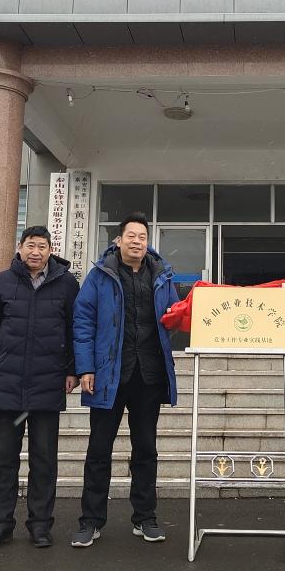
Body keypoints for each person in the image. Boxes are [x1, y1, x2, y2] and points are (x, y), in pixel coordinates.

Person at [70, 212, 179, 547]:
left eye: (142, 237)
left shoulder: (161, 275)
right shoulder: (100, 275)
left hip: (148, 376)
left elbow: (176, 316)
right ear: (119, 240)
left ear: (148, 242)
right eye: (131, 236)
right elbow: (83, 322)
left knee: (146, 449)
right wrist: (85, 368)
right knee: (98, 450)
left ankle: (145, 518)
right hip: (108, 376)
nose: (137, 242)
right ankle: (91, 521)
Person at [0, 225, 79, 551]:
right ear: (20, 247)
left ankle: (40, 525)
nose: (36, 252)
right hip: (7, 383)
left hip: (47, 383)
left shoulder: (66, 284)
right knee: (3, 461)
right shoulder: (2, 281)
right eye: (31, 245)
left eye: (42, 246)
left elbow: (75, 330)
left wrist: (72, 371)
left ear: (50, 250)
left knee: (44, 461)